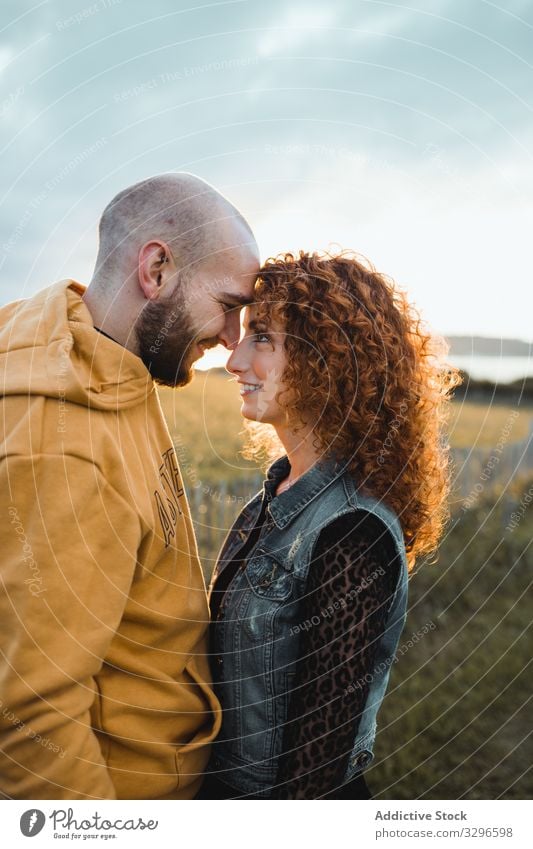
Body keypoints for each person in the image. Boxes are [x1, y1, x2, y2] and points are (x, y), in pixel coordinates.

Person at [0, 173, 259, 799]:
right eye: (228, 305)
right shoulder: (68, 447)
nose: (232, 339)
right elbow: (31, 718)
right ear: (157, 268)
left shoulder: (100, 357)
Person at [200, 250, 460, 799]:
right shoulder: (276, 495)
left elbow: (312, 777)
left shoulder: (352, 532)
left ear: (328, 359)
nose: (235, 360)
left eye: (263, 337)